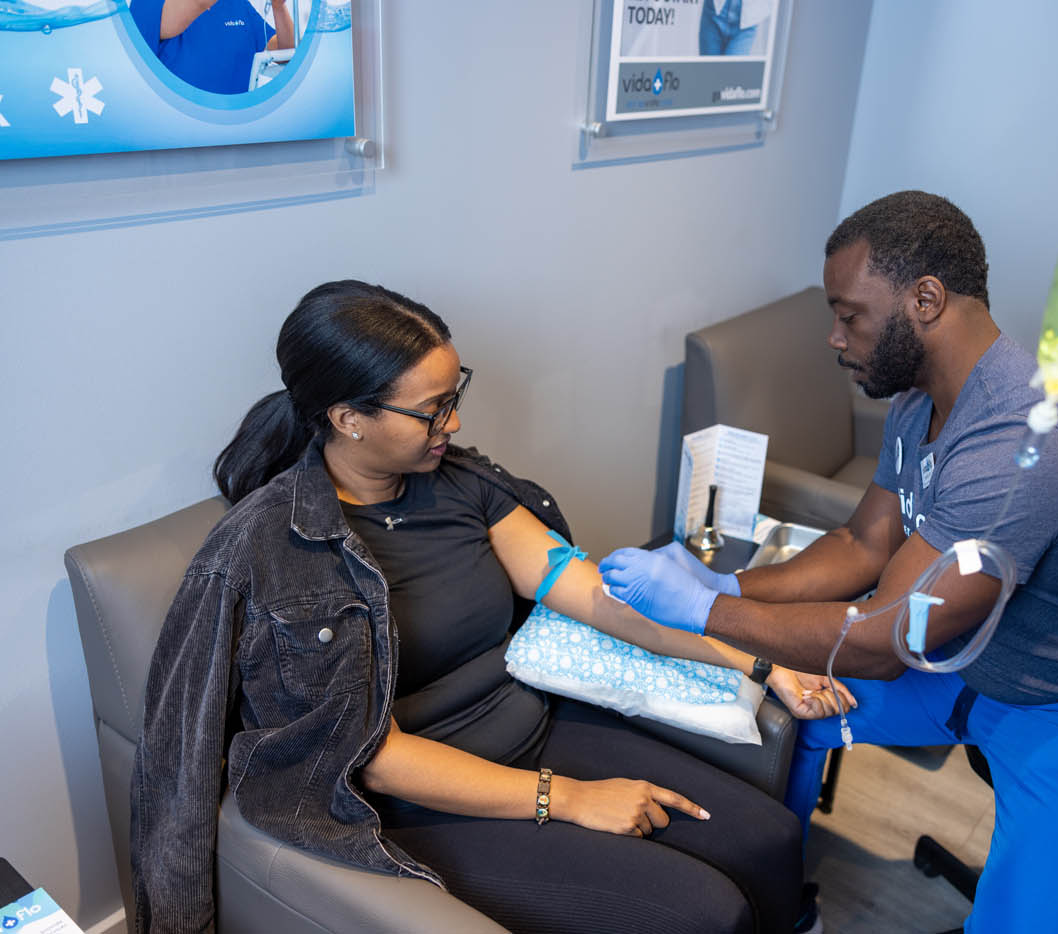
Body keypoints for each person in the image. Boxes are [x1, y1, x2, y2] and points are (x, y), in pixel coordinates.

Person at [132, 280, 851, 934]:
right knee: (702, 912)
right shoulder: (276, 552)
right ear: (348, 417)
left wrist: (758, 662)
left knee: (768, 837)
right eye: (430, 409)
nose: (451, 422)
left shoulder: (462, 486)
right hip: (411, 804)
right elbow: (368, 756)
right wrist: (567, 798)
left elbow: (599, 600)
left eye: (454, 395)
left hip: (530, 727)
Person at [600, 192, 1058, 933]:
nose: (834, 336)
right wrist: (728, 579)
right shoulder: (921, 401)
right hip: (979, 661)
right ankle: (782, 906)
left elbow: (888, 640)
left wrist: (703, 611)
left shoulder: (1022, 448)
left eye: (848, 313)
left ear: (925, 298)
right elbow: (864, 544)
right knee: (790, 715)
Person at [129, 0, 294, 95]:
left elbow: (283, 52)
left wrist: (278, 7)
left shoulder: (237, 4)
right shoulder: (149, 4)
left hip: (239, 134)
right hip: (182, 136)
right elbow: (201, 3)